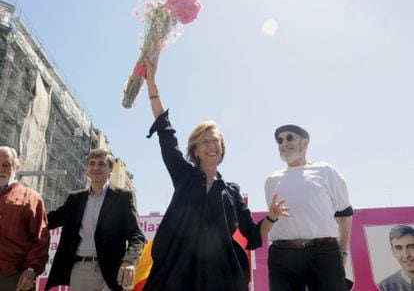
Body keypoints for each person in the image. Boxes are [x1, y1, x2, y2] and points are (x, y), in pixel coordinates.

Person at [142, 57, 290, 291]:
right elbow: (165, 132)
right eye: (205, 142)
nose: (211, 146)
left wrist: (271, 217)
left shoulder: (232, 191)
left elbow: (251, 236)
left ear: (222, 148)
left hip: (219, 276)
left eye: (215, 141)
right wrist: (152, 84)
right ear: (196, 150)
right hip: (176, 271)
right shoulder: (183, 175)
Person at [264, 125, 353, 291]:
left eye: (289, 137)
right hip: (282, 255)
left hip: (324, 253)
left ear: (305, 143)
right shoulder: (271, 180)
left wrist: (342, 252)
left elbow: (345, 215)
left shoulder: (326, 170)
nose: (284, 143)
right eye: (280, 140)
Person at [45, 148, 145, 291]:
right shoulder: (75, 199)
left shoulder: (123, 197)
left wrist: (129, 261)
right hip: (81, 271)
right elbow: (48, 221)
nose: (96, 168)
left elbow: (136, 235)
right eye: (92, 164)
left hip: (114, 272)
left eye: (101, 164)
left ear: (110, 169)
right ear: (87, 168)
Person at [0, 146, 49, 291]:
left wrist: (31, 271)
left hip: (15, 278)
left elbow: (41, 239)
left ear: (16, 167)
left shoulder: (31, 198)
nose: (1, 169)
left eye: (6, 165)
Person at [378, 225, 414, 291]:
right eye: (399, 248)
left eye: (411, 247)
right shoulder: (383, 287)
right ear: (393, 252)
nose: (406, 255)